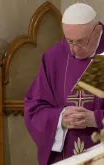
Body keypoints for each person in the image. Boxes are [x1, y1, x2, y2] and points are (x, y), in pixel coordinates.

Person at [24, 3, 104, 165]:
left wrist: (96, 119)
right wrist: (60, 118)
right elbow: (34, 108)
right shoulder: (55, 57)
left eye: (81, 42)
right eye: (70, 41)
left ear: (97, 31)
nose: (74, 49)